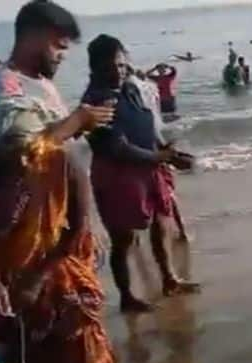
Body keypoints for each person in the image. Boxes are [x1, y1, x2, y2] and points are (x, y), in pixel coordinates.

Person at [0, 1, 120, 363]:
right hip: (30, 250)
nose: (62, 55)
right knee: (42, 352)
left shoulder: (37, 83)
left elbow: (63, 163)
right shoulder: (4, 92)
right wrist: (78, 120)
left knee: (89, 333)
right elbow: (22, 154)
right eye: (58, 46)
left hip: (67, 240)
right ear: (34, 36)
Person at [82, 35, 198, 313]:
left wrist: (167, 151)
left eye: (122, 65)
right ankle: (127, 296)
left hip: (149, 168)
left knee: (161, 223)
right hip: (117, 176)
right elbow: (117, 147)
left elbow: (146, 123)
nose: (119, 71)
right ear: (95, 68)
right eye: (112, 66)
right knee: (124, 239)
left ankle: (169, 278)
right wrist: (160, 157)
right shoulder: (95, 102)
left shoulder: (127, 88)